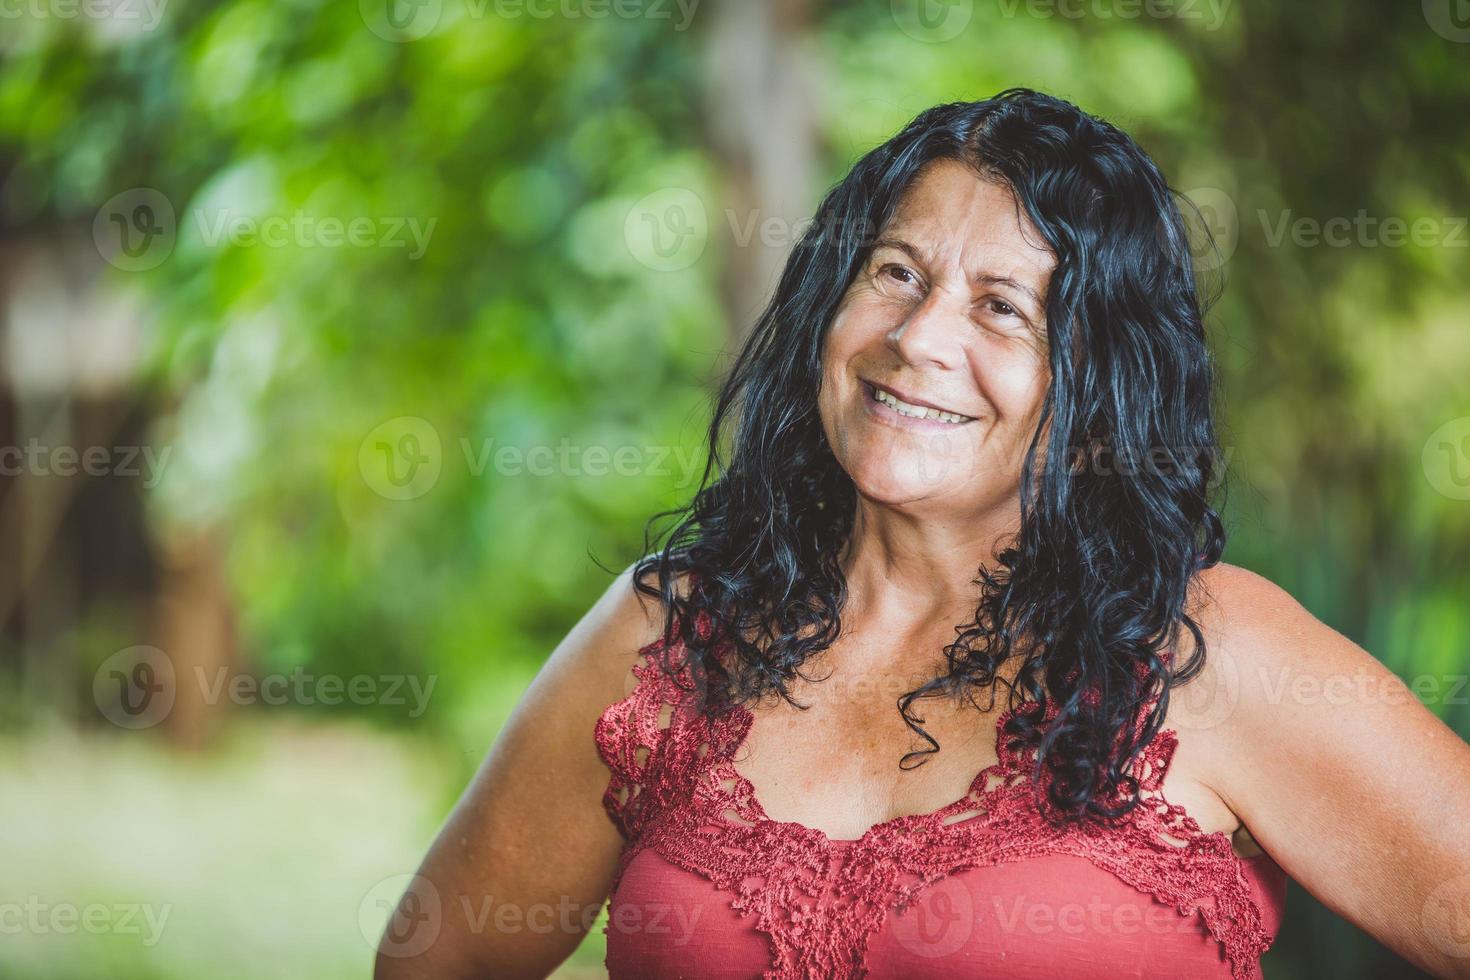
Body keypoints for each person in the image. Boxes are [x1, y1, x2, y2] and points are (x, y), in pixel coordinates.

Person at [375, 88, 1470, 980]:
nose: (915, 338)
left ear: (1100, 386)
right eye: (896, 272)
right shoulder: (667, 637)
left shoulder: (1207, 655)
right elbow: (440, 957)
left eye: (1002, 307)